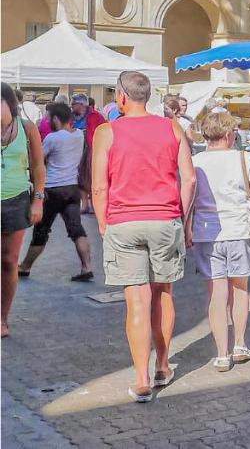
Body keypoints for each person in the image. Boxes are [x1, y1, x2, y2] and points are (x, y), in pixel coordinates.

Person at [91, 71, 196, 402]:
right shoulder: (171, 127)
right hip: (164, 219)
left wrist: (103, 223)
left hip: (124, 221)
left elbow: (98, 186)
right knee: (163, 293)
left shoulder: (106, 132)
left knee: (136, 300)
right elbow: (190, 179)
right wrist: (182, 217)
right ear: (147, 96)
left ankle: (141, 378)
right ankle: (163, 364)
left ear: (121, 96)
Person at [190, 111, 250, 370]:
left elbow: (189, 196)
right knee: (240, 287)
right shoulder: (244, 159)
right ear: (227, 134)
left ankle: (221, 352)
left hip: (206, 231)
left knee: (216, 291)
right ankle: (240, 344)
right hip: (239, 229)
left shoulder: (196, 161)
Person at [18, 102, 93, 282]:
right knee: (77, 230)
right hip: (72, 189)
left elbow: (37, 159)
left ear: (56, 119)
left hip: (52, 190)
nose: (46, 120)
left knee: (41, 231)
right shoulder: (78, 136)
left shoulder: (53, 138)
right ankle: (86, 267)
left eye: (48, 116)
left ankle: (25, 266)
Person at [2, 83, 45, 338]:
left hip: (16, 200)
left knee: (8, 261)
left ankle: (2, 318)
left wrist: (37, 200)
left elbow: (39, 166)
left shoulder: (27, 129)